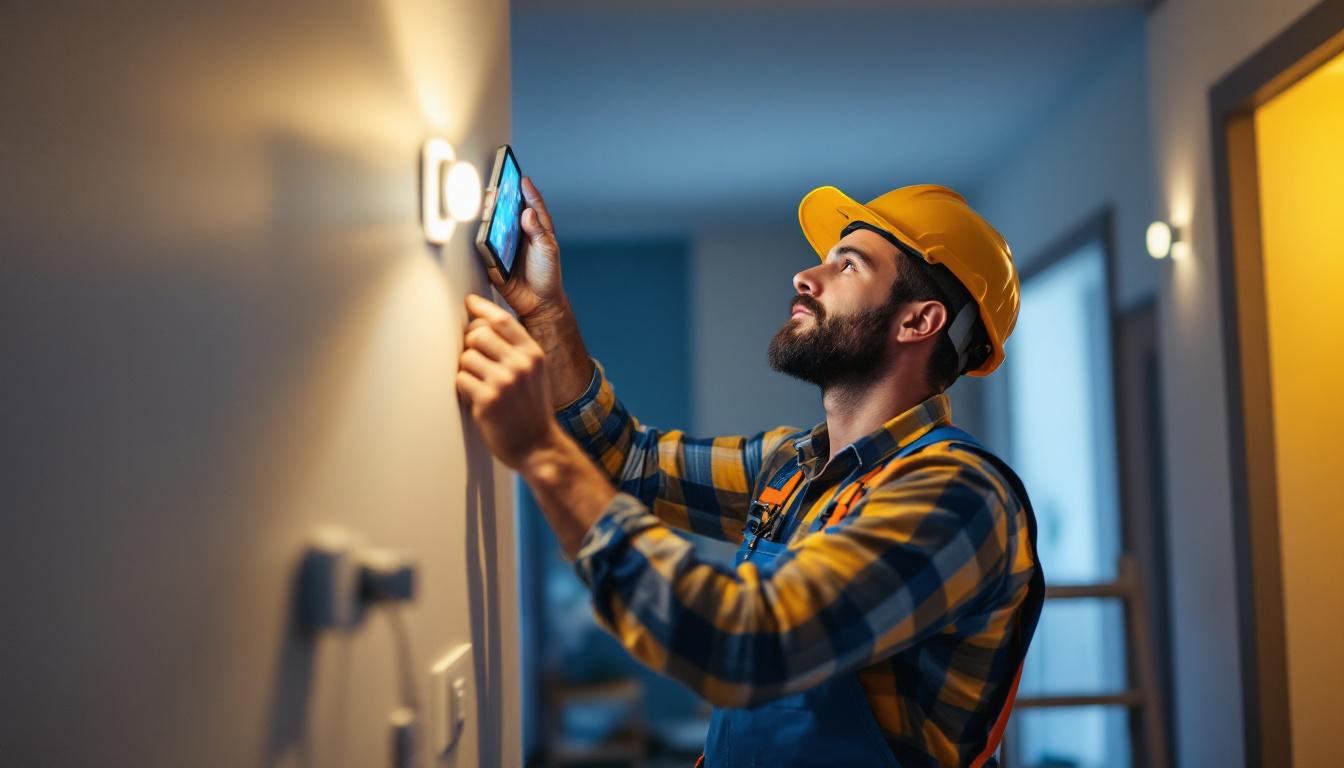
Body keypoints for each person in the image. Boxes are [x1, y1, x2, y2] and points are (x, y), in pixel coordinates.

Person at [455, 177, 1044, 767]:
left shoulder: (960, 496)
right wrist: (546, 312)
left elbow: (750, 643)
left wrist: (540, 450)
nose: (806, 277)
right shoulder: (795, 465)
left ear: (918, 321)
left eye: (848, 265)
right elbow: (628, 463)